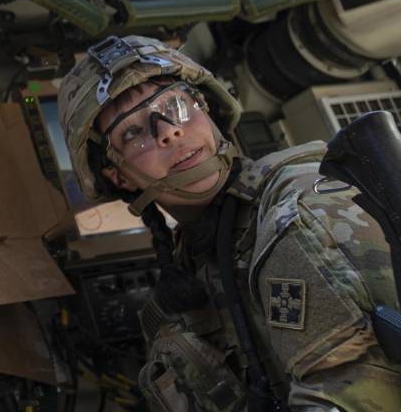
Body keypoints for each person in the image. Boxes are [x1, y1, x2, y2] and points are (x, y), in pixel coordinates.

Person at [58, 35, 401, 411]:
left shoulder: (296, 214)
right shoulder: (190, 265)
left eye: (176, 104)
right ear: (119, 177)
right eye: (133, 132)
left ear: (206, 110)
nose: (169, 129)